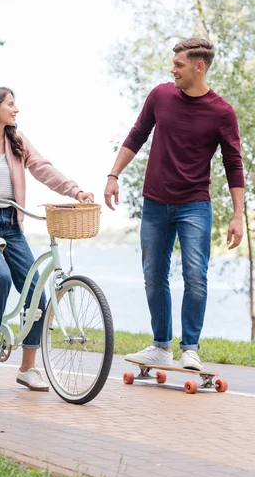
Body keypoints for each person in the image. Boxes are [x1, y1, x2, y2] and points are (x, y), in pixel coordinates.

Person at [104, 38, 244, 371]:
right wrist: (113, 175)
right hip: (154, 202)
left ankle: (190, 348)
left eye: (179, 64)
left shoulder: (222, 112)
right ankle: (161, 346)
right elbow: (137, 134)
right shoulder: (160, 96)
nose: (173, 69)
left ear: (199, 67)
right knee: (153, 275)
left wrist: (238, 215)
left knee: (195, 275)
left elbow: (233, 163)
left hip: (195, 204)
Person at [0, 86, 93, 391]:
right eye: (10, 104)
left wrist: (75, 190)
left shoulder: (17, 142)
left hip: (11, 223)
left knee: (36, 293)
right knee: (1, 276)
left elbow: (43, 169)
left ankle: (28, 368)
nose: (16, 109)